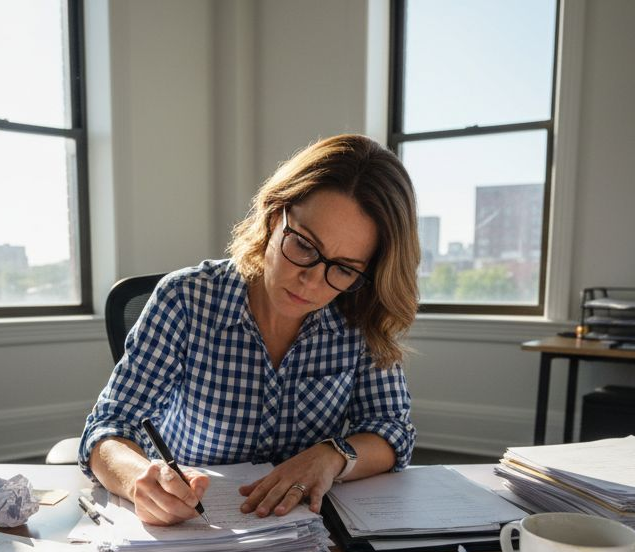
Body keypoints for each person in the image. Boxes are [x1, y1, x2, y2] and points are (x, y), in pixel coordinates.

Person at [78, 133, 419, 525]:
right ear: (274, 216)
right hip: (194, 528)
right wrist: (139, 479)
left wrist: (332, 456)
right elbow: (110, 426)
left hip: (305, 532)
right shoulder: (186, 299)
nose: (311, 280)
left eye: (343, 268)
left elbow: (391, 429)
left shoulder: (359, 314)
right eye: (304, 246)